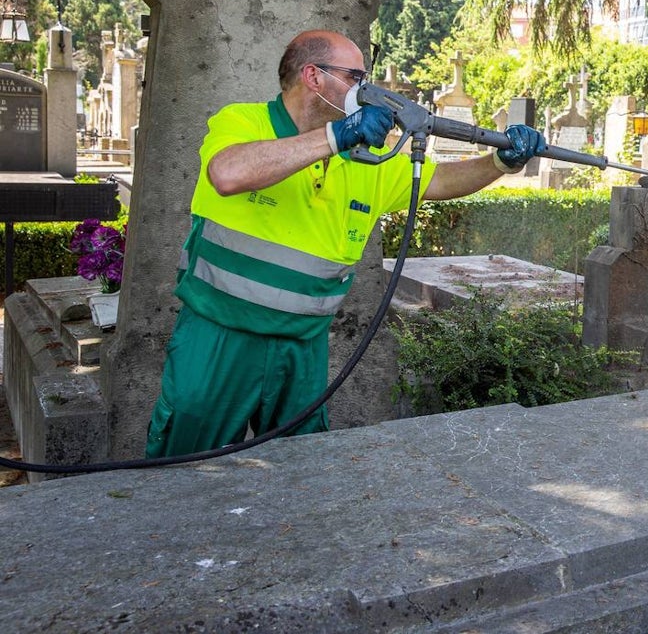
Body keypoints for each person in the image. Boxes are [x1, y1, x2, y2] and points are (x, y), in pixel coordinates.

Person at [145, 29, 546, 457]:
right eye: (355, 76)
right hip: (218, 339)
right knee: (185, 469)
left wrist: (500, 161)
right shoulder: (244, 122)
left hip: (302, 346)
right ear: (313, 76)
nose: (366, 89)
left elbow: (441, 180)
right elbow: (228, 174)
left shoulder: (367, 158)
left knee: (300, 471)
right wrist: (337, 136)